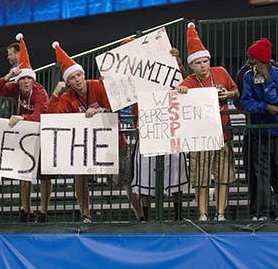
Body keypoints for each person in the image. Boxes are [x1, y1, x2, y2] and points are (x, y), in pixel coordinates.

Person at [48, 40, 124, 223]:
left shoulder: (97, 86)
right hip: (85, 147)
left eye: (79, 75)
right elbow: (53, 116)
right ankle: (86, 215)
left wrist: (100, 111)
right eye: (72, 78)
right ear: (68, 82)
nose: (77, 80)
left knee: (125, 181)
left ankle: (141, 216)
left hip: (113, 140)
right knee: (80, 179)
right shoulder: (67, 97)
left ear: (84, 74)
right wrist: (55, 94)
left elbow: (115, 108)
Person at [177, 23, 239, 221]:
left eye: (205, 61)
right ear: (191, 65)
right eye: (198, 63)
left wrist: (228, 94)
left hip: (223, 134)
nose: (203, 65)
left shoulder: (221, 72)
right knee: (201, 179)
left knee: (223, 178)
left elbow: (236, 91)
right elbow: (178, 95)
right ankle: (203, 214)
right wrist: (182, 91)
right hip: (201, 139)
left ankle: (220, 214)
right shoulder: (189, 81)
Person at [127, 38, 189, 221]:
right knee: (144, 178)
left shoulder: (162, 65)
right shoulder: (130, 74)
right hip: (145, 132)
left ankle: (177, 217)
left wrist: (176, 61)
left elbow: (181, 81)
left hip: (170, 129)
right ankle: (146, 218)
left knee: (176, 175)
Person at [0, 33, 51, 223]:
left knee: (44, 175)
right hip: (25, 136)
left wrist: (21, 117)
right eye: (22, 79)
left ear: (32, 80)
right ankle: (24, 209)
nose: (25, 82)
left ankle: (43, 211)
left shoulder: (40, 91)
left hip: (42, 134)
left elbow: (39, 115)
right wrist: (10, 75)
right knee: (24, 173)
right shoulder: (16, 87)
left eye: (28, 79)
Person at [240, 38, 278, 221]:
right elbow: (246, 102)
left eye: (252, 58)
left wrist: (268, 81)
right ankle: (263, 213)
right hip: (260, 134)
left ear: (262, 59)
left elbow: (276, 100)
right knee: (261, 174)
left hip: (276, 133)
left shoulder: (277, 75)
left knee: (277, 173)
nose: (248, 62)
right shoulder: (248, 76)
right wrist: (264, 107)